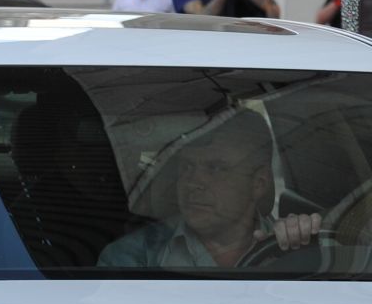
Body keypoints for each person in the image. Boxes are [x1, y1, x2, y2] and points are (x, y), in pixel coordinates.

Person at [100, 109, 320, 270]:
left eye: (216, 168)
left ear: (258, 183)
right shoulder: (133, 257)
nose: (193, 182)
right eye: (186, 167)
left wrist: (306, 248)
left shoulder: (297, 246)